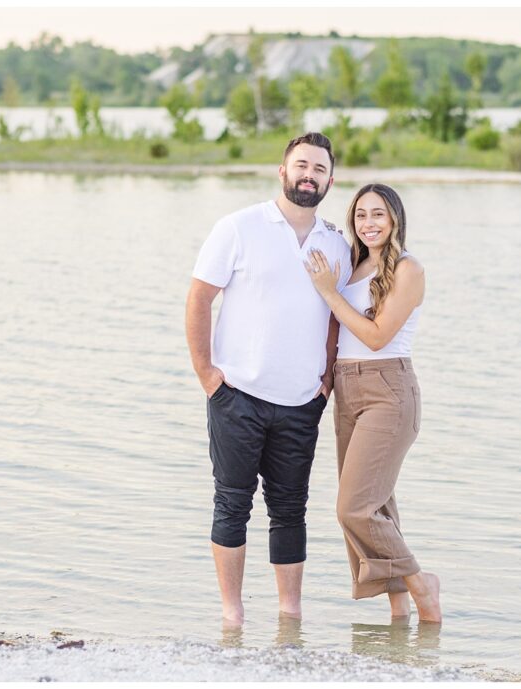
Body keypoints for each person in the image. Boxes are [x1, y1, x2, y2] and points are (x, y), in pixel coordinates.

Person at [185, 132, 352, 624]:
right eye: (301, 165)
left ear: (329, 181)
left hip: (302, 401)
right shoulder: (239, 227)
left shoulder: (336, 245)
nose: (309, 175)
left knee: (291, 510)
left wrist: (325, 381)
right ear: (282, 171)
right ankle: (232, 616)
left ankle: (289, 617)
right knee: (232, 505)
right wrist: (208, 376)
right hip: (237, 394)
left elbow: (337, 316)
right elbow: (199, 298)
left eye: (319, 169)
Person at [303, 183, 441, 623]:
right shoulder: (354, 266)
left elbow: (378, 337)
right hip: (348, 388)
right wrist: (326, 376)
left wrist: (329, 292)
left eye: (377, 214)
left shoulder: (407, 269)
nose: (368, 223)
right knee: (376, 506)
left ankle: (421, 582)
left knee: (353, 508)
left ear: (395, 219)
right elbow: (337, 330)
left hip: (389, 389)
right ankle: (399, 614)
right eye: (360, 215)